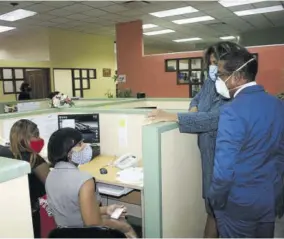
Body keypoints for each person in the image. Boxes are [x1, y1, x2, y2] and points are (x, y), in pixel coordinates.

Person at [147, 42, 240, 237]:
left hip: (223, 155)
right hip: (208, 152)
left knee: (223, 210)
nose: (213, 67)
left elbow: (214, 119)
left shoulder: (234, 89)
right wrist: (193, 108)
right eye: (211, 63)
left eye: (218, 62)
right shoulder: (211, 81)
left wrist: (175, 116)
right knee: (211, 208)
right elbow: (197, 99)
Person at [208, 44, 284, 237]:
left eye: (221, 75)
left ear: (237, 77)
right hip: (268, 198)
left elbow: (223, 171)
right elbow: (281, 156)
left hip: (238, 204)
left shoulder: (232, 112)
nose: (219, 81)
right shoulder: (278, 105)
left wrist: (215, 200)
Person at [45, 128, 137, 238]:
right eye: (80, 144)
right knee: (126, 227)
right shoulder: (85, 180)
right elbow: (92, 223)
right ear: (69, 153)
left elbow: (74, 210)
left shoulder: (50, 176)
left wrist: (106, 210)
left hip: (63, 234)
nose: (85, 146)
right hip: (85, 234)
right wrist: (123, 227)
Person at [0, 119, 50, 238]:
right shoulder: (34, 160)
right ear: (25, 138)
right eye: (36, 135)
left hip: (14, 210)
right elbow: (52, 186)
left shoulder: (4, 153)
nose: (39, 139)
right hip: (35, 213)